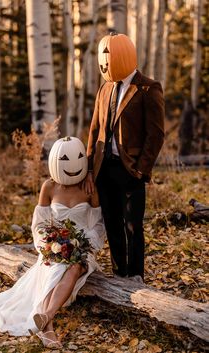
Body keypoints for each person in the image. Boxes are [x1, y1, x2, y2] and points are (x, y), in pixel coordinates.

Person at [0, 136, 106, 348]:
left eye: (78, 157)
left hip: (83, 247)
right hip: (55, 247)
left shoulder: (89, 187)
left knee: (74, 268)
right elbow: (39, 225)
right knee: (53, 271)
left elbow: (97, 225)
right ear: (54, 160)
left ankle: (45, 318)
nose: (71, 164)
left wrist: (84, 244)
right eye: (64, 158)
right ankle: (47, 328)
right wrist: (47, 245)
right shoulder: (49, 187)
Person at [84, 32, 165, 280]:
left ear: (123, 55)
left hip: (130, 169)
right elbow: (95, 130)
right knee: (112, 224)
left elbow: (156, 134)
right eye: (102, 58)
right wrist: (89, 169)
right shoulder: (104, 88)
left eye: (108, 57)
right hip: (104, 169)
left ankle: (136, 277)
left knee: (133, 226)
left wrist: (141, 170)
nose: (104, 63)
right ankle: (120, 275)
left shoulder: (147, 88)